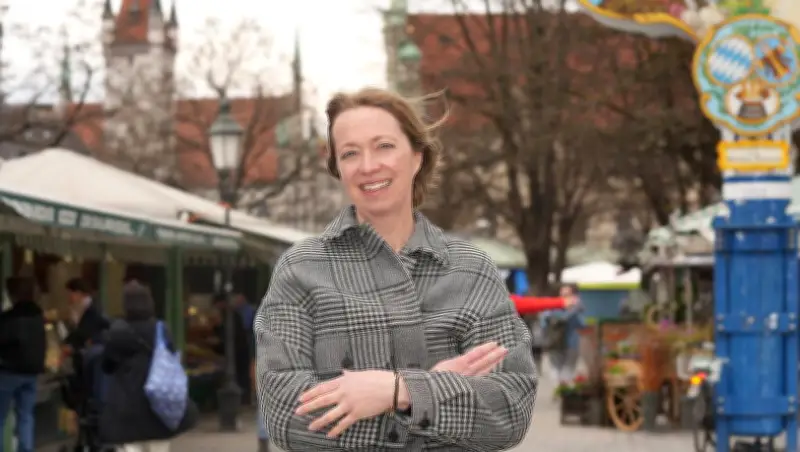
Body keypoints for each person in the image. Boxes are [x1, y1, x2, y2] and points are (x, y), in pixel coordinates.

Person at [255, 88, 536, 451]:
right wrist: (438, 393)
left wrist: (399, 391)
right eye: (350, 153)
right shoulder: (300, 269)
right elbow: (284, 413)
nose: (368, 165)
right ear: (338, 168)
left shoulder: (471, 270)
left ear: (417, 156)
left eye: (384, 146)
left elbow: (510, 409)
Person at [99, 281, 197, 452]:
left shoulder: (117, 332)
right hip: (158, 407)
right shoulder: (161, 329)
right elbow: (172, 355)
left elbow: (106, 365)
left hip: (127, 411)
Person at [0, 277, 46, 452]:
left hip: (8, 372)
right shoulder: (38, 316)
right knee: (26, 416)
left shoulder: (8, 318)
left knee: (0, 418)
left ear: (12, 294)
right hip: (31, 373)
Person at [212, 294, 251, 404]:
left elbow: (228, 336)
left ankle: (242, 399)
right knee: (241, 375)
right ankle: (243, 398)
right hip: (239, 350)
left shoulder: (229, 316)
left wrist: (217, 329)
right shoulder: (231, 315)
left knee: (240, 375)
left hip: (238, 351)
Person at [543, 284, 584, 384]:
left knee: (560, 370)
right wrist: (575, 309)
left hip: (561, 343)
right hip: (564, 343)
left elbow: (544, 324)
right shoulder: (575, 309)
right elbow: (581, 325)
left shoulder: (551, 309)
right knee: (563, 370)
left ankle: (560, 393)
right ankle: (562, 393)